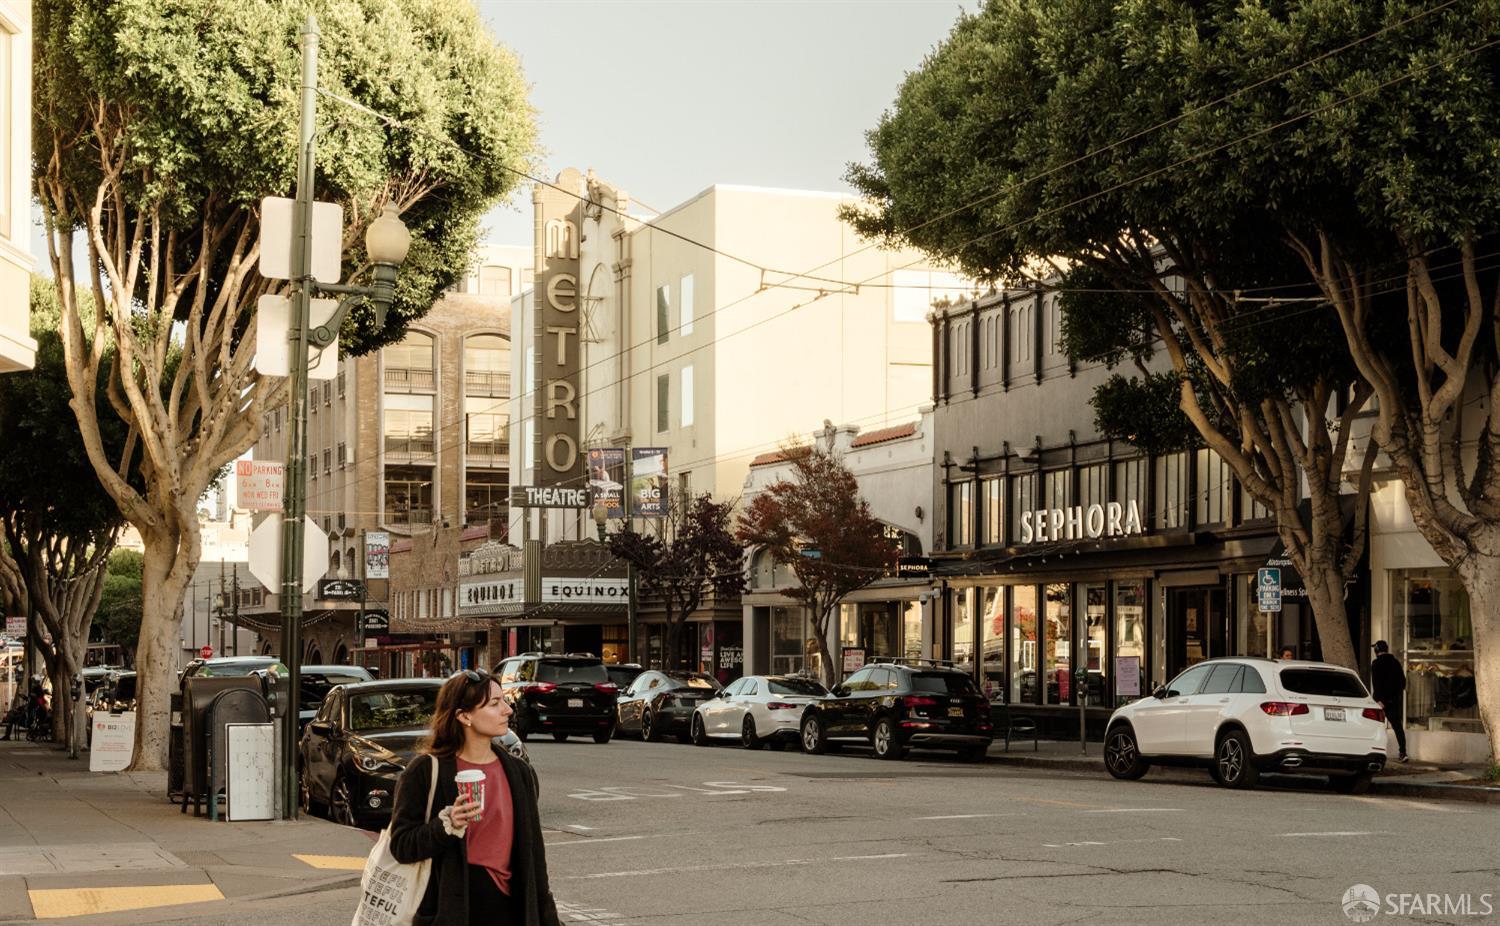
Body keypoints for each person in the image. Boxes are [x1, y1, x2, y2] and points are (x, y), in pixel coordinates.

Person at [389, 670, 559, 926]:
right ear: (464, 715)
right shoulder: (425, 771)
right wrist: (446, 825)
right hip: (453, 910)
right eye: (494, 704)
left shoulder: (518, 771)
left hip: (511, 909)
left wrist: (547, 917)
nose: (507, 710)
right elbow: (401, 846)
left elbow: (534, 853)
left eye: (504, 701)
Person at [1370, 640, 1408, 762]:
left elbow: (1376, 683)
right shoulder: (1395, 662)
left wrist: (1379, 700)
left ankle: (1373, 752)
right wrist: (1394, 697)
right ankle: (1403, 752)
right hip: (1393, 701)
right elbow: (1402, 682)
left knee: (1374, 727)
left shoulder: (1376, 663)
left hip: (1380, 702)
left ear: (1376, 650)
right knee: (1398, 727)